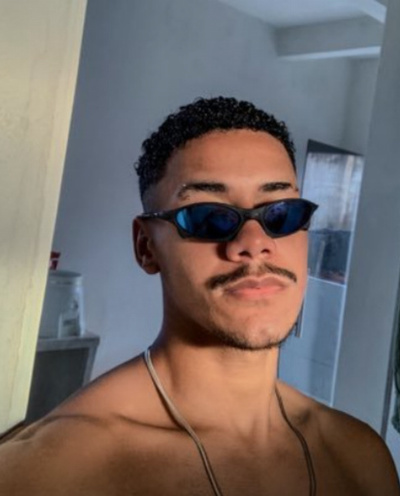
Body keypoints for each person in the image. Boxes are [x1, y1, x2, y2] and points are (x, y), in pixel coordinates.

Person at [0, 97, 399, 496]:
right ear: (146, 246)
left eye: (280, 214)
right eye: (208, 216)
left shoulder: (359, 456)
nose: (254, 243)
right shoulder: (47, 474)